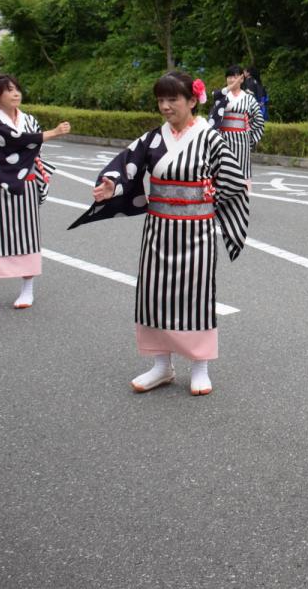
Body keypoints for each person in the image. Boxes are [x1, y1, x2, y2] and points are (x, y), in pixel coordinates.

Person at [69, 72, 250, 396]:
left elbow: (234, 179)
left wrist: (209, 198)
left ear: (193, 101)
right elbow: (127, 163)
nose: (165, 107)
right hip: (159, 228)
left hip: (197, 229)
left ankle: (200, 366)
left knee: (195, 297)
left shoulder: (209, 138)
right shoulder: (153, 138)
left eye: (172, 100)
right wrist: (112, 183)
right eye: (161, 100)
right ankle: (161, 365)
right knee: (155, 294)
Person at [0, 75, 70, 317]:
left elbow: (31, 149)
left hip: (28, 186)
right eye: (8, 90)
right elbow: (15, 142)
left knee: (28, 237)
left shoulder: (29, 120)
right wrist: (51, 133)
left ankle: (27, 289)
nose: (15, 94)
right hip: (2, 186)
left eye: (17, 90)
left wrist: (31, 148)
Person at [208, 64, 265, 185]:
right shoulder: (222, 95)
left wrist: (248, 131)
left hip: (242, 140)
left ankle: (240, 198)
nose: (232, 80)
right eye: (229, 77)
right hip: (223, 139)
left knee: (240, 172)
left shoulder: (249, 98)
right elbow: (214, 100)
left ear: (242, 78)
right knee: (222, 171)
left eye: (235, 76)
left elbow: (259, 119)